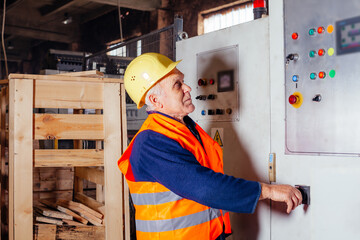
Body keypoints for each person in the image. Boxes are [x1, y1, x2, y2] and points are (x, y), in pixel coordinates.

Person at [118, 53, 302, 240]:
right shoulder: (151, 142)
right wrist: (269, 191)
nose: (188, 88)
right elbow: (204, 187)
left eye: (184, 81)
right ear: (156, 101)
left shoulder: (187, 129)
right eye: (177, 84)